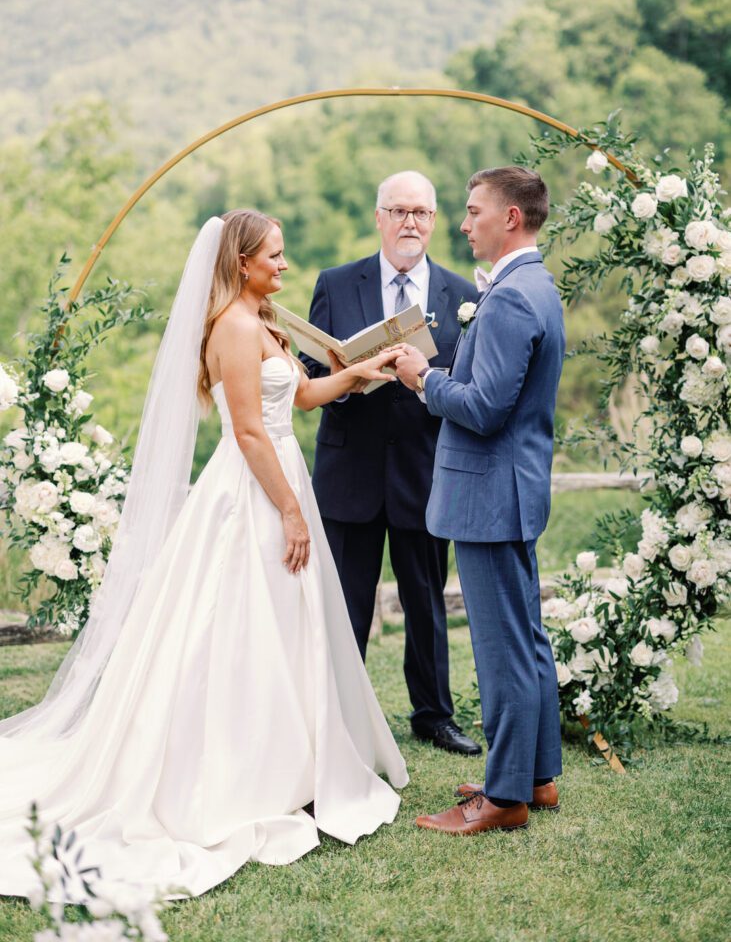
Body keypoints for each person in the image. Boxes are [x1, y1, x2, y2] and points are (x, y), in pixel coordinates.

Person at [0, 210, 408, 902]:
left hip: (280, 480)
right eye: (272, 256)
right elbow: (248, 431)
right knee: (233, 626)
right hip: (251, 492)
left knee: (281, 625)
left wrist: (363, 371)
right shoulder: (236, 326)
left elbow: (300, 398)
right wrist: (285, 509)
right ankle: (234, 769)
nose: (284, 265)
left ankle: (293, 760)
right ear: (240, 261)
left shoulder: (262, 319)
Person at [395, 167, 565, 834]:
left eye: (472, 212)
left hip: (490, 494)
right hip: (510, 490)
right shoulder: (532, 285)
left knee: (501, 650)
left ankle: (502, 798)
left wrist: (422, 378)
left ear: (510, 219)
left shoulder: (512, 298)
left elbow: (484, 409)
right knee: (526, 639)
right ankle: (536, 777)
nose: (463, 225)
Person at [300, 171, 482, 757]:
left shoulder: (462, 296)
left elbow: (474, 383)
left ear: (435, 221)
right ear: (379, 217)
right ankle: (337, 713)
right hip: (349, 469)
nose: (411, 222)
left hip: (426, 470)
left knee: (427, 602)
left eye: (422, 213)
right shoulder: (335, 282)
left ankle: (434, 715)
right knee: (345, 602)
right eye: (399, 211)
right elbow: (306, 372)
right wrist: (349, 379)